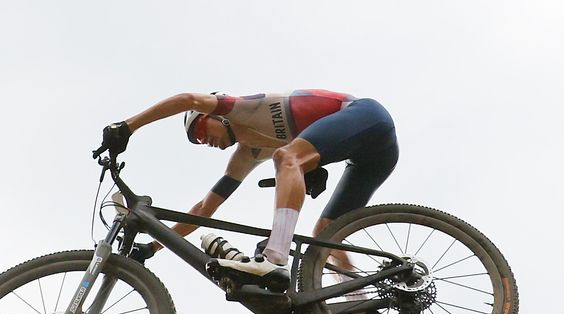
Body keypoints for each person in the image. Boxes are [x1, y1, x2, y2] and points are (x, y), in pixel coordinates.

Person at [100, 89, 399, 291]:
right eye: (198, 142)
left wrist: (127, 127)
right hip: (373, 157)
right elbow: (204, 209)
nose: (205, 142)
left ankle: (275, 257)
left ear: (216, 115)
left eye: (201, 131)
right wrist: (153, 248)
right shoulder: (246, 156)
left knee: (286, 158)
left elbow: (187, 99)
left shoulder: (240, 107)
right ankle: (357, 301)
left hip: (368, 115)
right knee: (325, 234)